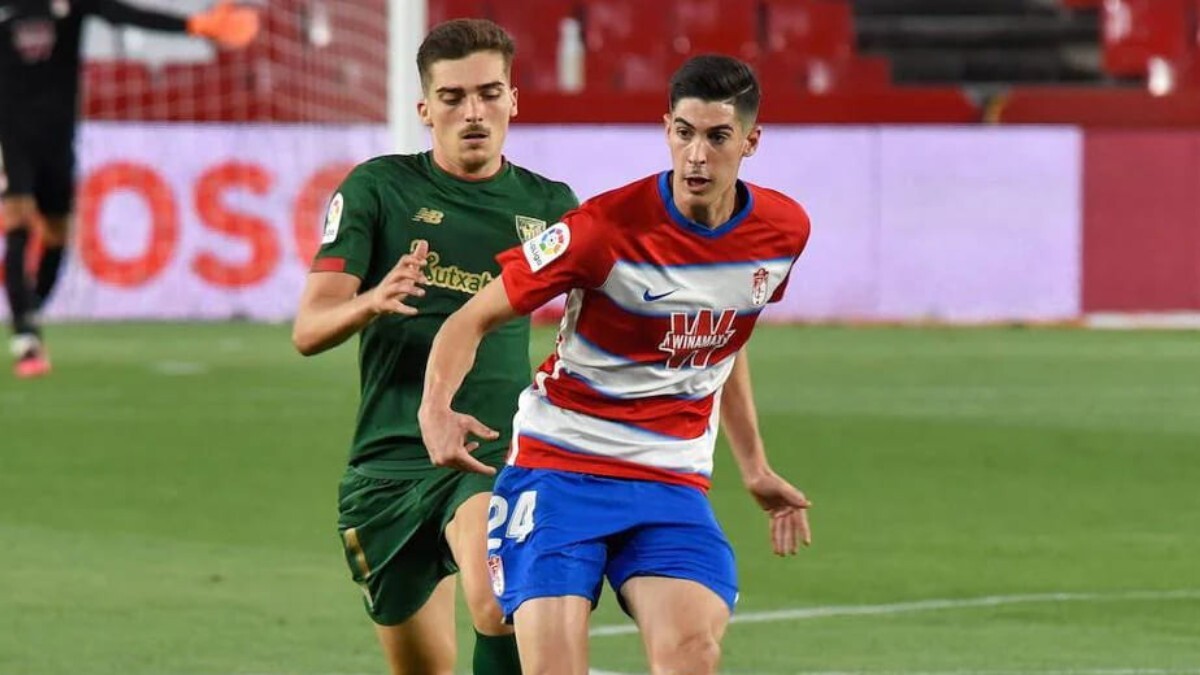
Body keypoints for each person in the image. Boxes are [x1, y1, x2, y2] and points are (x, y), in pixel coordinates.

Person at [418, 54, 813, 675]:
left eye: (717, 137)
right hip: (559, 469)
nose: (697, 156)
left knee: (691, 654)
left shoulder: (782, 231)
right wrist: (436, 407)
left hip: (669, 481)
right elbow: (470, 317)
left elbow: (724, 341)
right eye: (684, 134)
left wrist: (755, 466)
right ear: (666, 130)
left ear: (751, 141)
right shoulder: (602, 229)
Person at [292, 18, 577, 675]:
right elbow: (310, 327)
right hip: (388, 461)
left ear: (514, 99)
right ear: (425, 109)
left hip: (493, 447)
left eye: (488, 92)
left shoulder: (550, 206)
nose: (472, 111)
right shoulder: (378, 188)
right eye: (452, 97)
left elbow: (601, 313)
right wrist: (373, 298)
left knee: (497, 600)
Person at [1, 0, 259, 377]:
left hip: (58, 139)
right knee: (19, 221)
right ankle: (26, 337)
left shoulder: (73, 5)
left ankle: (30, 312)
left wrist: (194, 26)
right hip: (11, 135)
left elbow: (125, 15)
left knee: (58, 237)